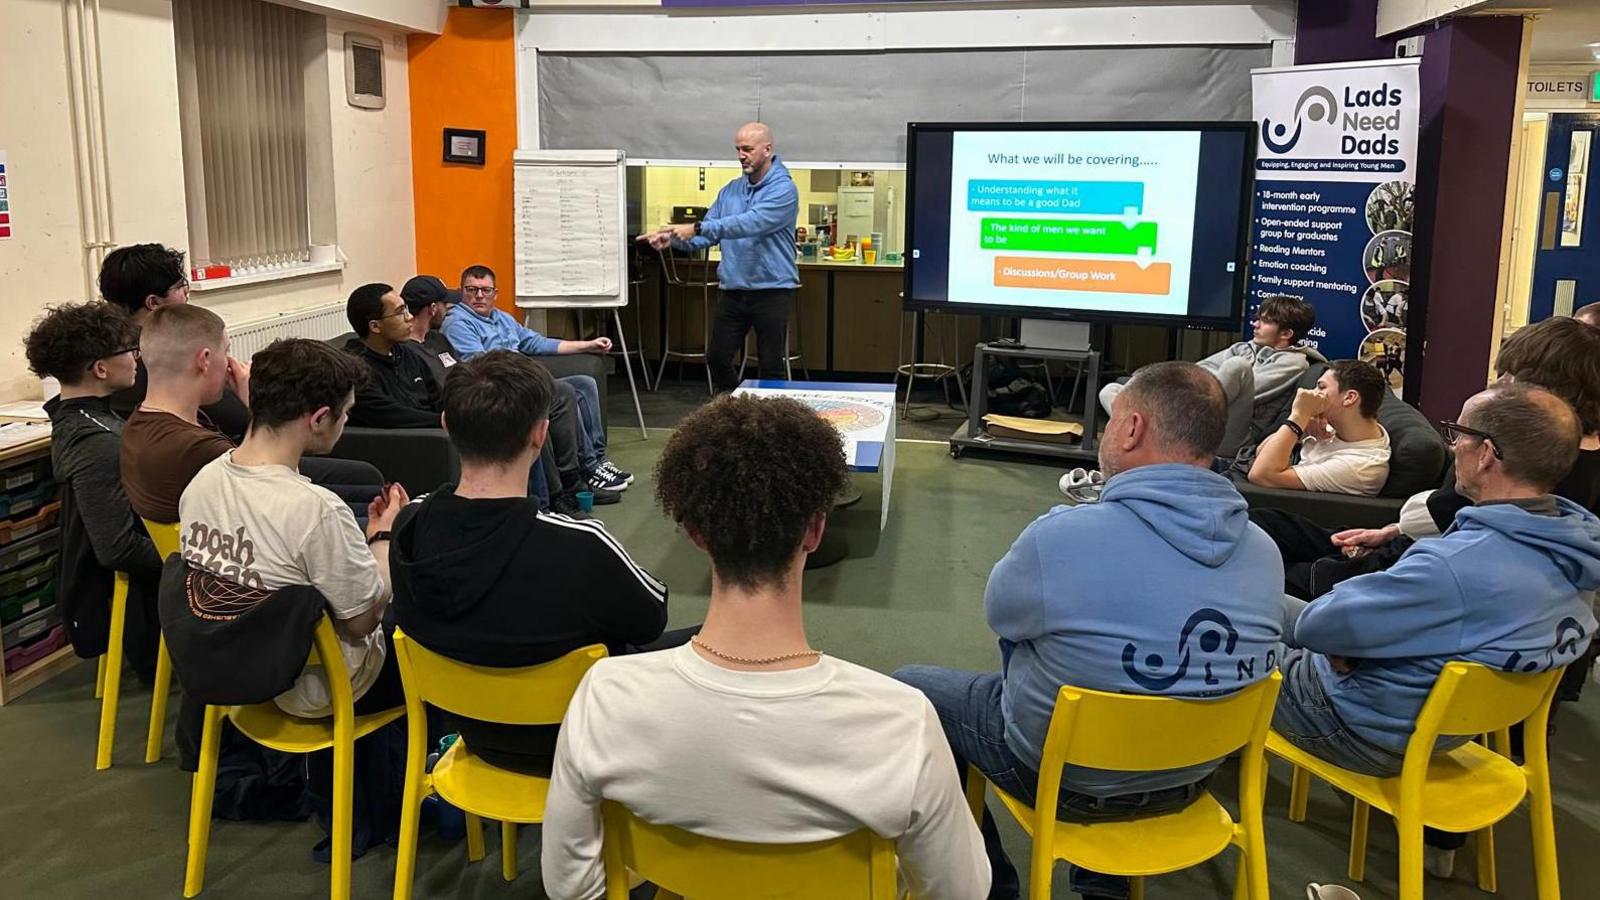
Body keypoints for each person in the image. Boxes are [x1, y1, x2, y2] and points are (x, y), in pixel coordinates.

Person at [540, 396, 989, 900]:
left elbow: (569, 886)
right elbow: (962, 891)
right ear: (816, 529)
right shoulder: (902, 721)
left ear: (695, 533)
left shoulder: (605, 695)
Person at [896, 361, 1285, 900]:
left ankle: (991, 885)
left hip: (1066, 780)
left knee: (912, 691)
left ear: (1132, 429)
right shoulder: (1266, 552)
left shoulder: (1062, 536)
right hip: (1194, 777)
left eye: (1112, 419)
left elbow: (1003, 620)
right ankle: (1105, 886)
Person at [1273, 382, 1600, 876]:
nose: (1452, 446)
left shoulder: (1454, 565)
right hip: (1453, 726)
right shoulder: (1575, 551)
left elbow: (1318, 625)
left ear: (1487, 454)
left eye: (1460, 434)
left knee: (1240, 612)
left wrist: (1358, 648)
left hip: (1362, 729)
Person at [390, 351, 677, 775]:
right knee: (704, 646)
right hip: (577, 746)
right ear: (541, 434)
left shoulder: (407, 523)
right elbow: (650, 621)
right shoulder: (582, 544)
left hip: (469, 734)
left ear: (446, 425)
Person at [178, 338, 410, 859]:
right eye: (346, 416)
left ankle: (360, 812)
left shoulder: (200, 483)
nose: (345, 425)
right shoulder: (317, 510)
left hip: (233, 668)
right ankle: (388, 812)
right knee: (422, 625)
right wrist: (384, 538)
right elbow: (360, 620)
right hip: (317, 688)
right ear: (320, 418)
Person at [1253, 315, 1600, 599]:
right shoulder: (1566, 480)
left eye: (1511, 378)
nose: (1501, 386)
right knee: (1264, 525)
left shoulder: (1530, 463)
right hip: (1406, 551)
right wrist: (1392, 530)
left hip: (1406, 572)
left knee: (1256, 570)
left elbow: (1438, 523)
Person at [348, 282, 619, 509]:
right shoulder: (359, 369)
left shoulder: (407, 352)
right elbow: (391, 414)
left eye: (406, 309)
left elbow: (438, 392)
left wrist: (457, 410)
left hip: (446, 419)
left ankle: (561, 492)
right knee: (526, 415)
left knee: (531, 415)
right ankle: (547, 503)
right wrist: (449, 419)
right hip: (420, 438)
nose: (408, 316)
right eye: (399, 312)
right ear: (375, 326)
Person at [26, 303, 163, 681]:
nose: (137, 358)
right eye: (128, 350)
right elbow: (118, 547)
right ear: (100, 369)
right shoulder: (95, 443)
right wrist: (190, 555)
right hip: (145, 593)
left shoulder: (80, 415)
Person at [441, 264, 631, 494]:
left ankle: (597, 461)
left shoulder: (502, 318)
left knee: (585, 383)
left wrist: (587, 344)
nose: (479, 295)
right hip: (499, 387)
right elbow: (478, 362)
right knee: (565, 390)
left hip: (521, 378)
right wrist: (524, 367)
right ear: (462, 292)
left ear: (495, 293)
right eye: (472, 289)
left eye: (485, 290)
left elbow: (535, 342)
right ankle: (586, 468)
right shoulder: (458, 321)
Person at [641, 122, 800, 393]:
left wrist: (697, 227)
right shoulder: (730, 191)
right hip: (733, 290)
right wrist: (673, 239)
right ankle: (738, 411)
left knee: (771, 366)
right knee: (716, 358)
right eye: (738, 149)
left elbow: (750, 223)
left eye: (747, 149)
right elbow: (709, 234)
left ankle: (774, 426)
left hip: (773, 290)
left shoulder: (783, 190)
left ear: (768, 149)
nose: (741, 155)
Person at [1101, 295, 1320, 455]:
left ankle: (1162, 427)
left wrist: (1179, 402)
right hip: (1198, 414)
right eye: (1257, 318)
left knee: (1237, 367)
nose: (1255, 324)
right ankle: (1154, 432)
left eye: (1265, 321)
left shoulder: (1293, 363)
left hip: (1234, 432)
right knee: (1112, 391)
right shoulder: (1243, 347)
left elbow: (1250, 394)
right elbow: (1196, 372)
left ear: (1286, 334)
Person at [98, 242, 250, 441]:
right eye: (180, 287)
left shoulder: (108, 354)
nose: (187, 294)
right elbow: (237, 419)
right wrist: (248, 398)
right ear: (153, 303)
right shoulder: (168, 357)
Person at [120, 305, 250, 524]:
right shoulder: (200, 449)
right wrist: (253, 405)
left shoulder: (134, 425)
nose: (230, 363)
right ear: (205, 360)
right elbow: (280, 490)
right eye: (226, 351)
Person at [1247, 359, 1391, 496]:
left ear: (1349, 398)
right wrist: (1302, 431)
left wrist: (1297, 418)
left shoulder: (1361, 467)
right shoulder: (1339, 423)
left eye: (1321, 387)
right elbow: (1259, 452)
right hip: (1245, 466)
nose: (1311, 392)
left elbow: (1261, 475)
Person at [398, 274, 461, 387]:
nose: (447, 309)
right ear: (433, 308)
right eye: (445, 304)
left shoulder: (438, 339)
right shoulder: (403, 352)